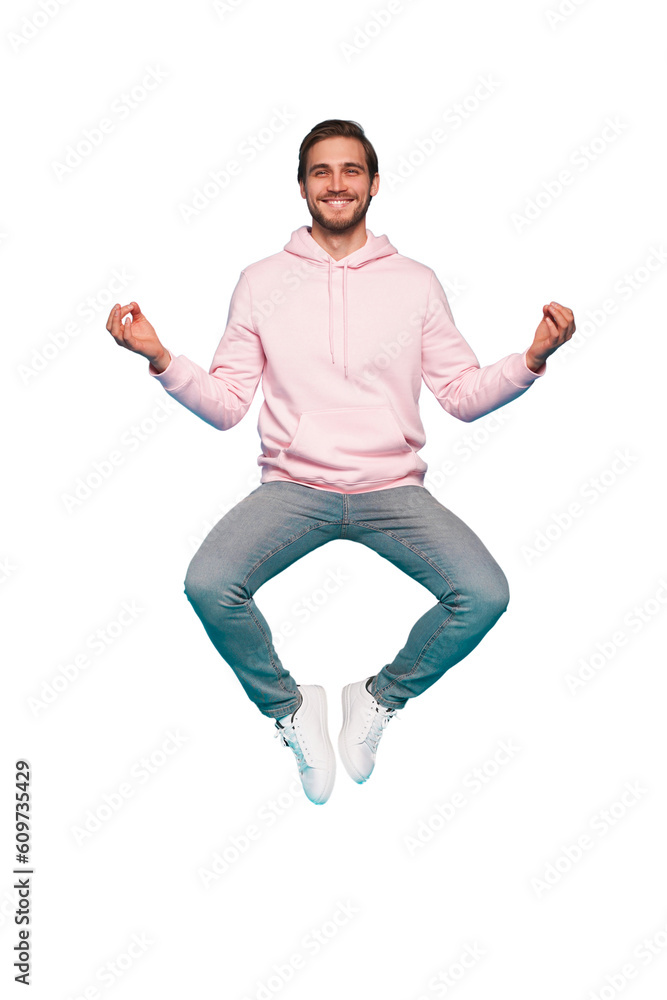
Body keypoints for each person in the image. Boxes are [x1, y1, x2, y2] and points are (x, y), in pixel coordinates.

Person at [105, 118, 575, 806]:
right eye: (321, 172)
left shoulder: (414, 283)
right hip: (294, 487)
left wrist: (530, 359)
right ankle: (290, 709)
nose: (336, 183)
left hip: (392, 490)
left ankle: (377, 697)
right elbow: (228, 403)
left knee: (483, 594)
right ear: (301, 187)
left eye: (351, 170)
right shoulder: (260, 281)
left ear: (373, 183)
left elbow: (461, 394)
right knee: (209, 583)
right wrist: (160, 357)